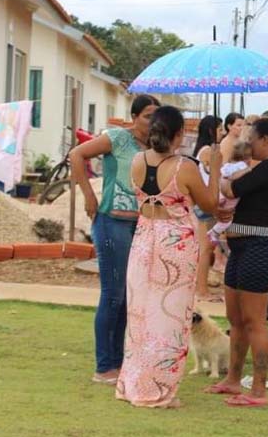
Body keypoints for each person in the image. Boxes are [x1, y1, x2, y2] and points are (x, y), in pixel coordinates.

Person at [115, 105, 222, 408]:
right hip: (174, 247)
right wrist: (214, 169)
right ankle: (158, 389)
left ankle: (134, 382)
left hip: (144, 242)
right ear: (179, 134)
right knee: (170, 319)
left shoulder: (137, 161)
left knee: (140, 317)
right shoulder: (183, 167)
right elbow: (211, 203)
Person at [70, 94, 160, 385]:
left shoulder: (155, 149)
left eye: (156, 116)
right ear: (134, 117)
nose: (152, 121)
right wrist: (88, 195)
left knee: (127, 297)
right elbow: (77, 155)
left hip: (140, 226)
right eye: (147, 115)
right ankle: (104, 366)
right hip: (111, 222)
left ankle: (118, 364)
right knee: (113, 294)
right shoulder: (117, 138)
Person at [206, 115, 268, 409]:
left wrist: (219, 168)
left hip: (259, 248)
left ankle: (257, 389)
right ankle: (233, 378)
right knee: (236, 318)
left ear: (266, 141)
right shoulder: (264, 168)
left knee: (254, 321)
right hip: (241, 248)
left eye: (252, 138)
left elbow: (230, 190)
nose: (248, 144)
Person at [193, 115, 224, 302]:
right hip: (205, 205)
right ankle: (201, 290)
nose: (222, 133)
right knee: (205, 250)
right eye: (220, 129)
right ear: (212, 131)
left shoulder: (207, 150)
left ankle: (202, 288)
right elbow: (215, 174)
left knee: (207, 249)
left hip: (207, 204)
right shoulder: (207, 151)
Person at [207, 140, 252, 244]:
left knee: (221, 216)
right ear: (247, 157)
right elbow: (233, 176)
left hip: (220, 194)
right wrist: (247, 171)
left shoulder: (228, 164)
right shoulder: (243, 166)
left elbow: (222, 173)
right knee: (228, 220)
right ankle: (213, 232)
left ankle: (215, 232)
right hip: (229, 199)